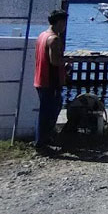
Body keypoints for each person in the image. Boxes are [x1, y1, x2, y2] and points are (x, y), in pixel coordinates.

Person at [34, 9, 68, 150]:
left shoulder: (42, 35)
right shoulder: (54, 39)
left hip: (40, 78)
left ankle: (43, 139)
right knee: (50, 113)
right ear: (59, 22)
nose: (65, 26)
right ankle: (42, 143)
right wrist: (67, 61)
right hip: (50, 80)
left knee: (45, 111)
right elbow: (54, 61)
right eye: (64, 23)